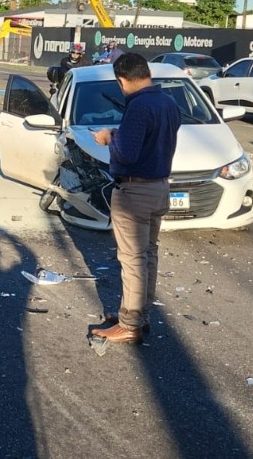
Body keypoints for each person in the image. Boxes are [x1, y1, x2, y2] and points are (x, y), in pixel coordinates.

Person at [90, 52, 181, 344]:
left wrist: (108, 139)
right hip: (160, 187)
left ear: (121, 79)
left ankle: (129, 325)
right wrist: (122, 134)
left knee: (132, 260)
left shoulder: (138, 106)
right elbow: (151, 140)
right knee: (149, 254)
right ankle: (142, 316)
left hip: (135, 192)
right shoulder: (168, 103)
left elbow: (127, 153)